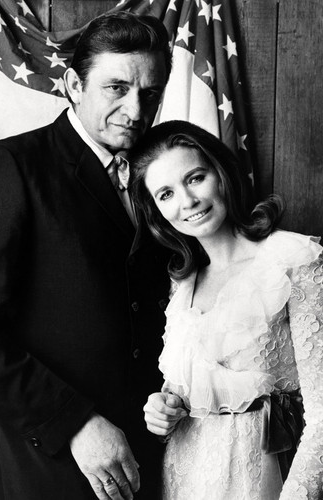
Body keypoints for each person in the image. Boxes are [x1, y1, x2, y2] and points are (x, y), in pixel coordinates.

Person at [0, 12, 174, 500]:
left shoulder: (166, 172)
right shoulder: (8, 167)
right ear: (74, 86)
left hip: (159, 455)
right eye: (117, 88)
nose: (135, 109)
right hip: (55, 462)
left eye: (150, 93)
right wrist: (73, 423)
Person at [128, 120, 323, 499]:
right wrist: (162, 407)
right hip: (183, 481)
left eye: (195, 178)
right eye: (166, 194)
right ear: (156, 211)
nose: (187, 201)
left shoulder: (293, 259)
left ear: (221, 173)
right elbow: (189, 390)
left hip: (262, 482)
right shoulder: (181, 285)